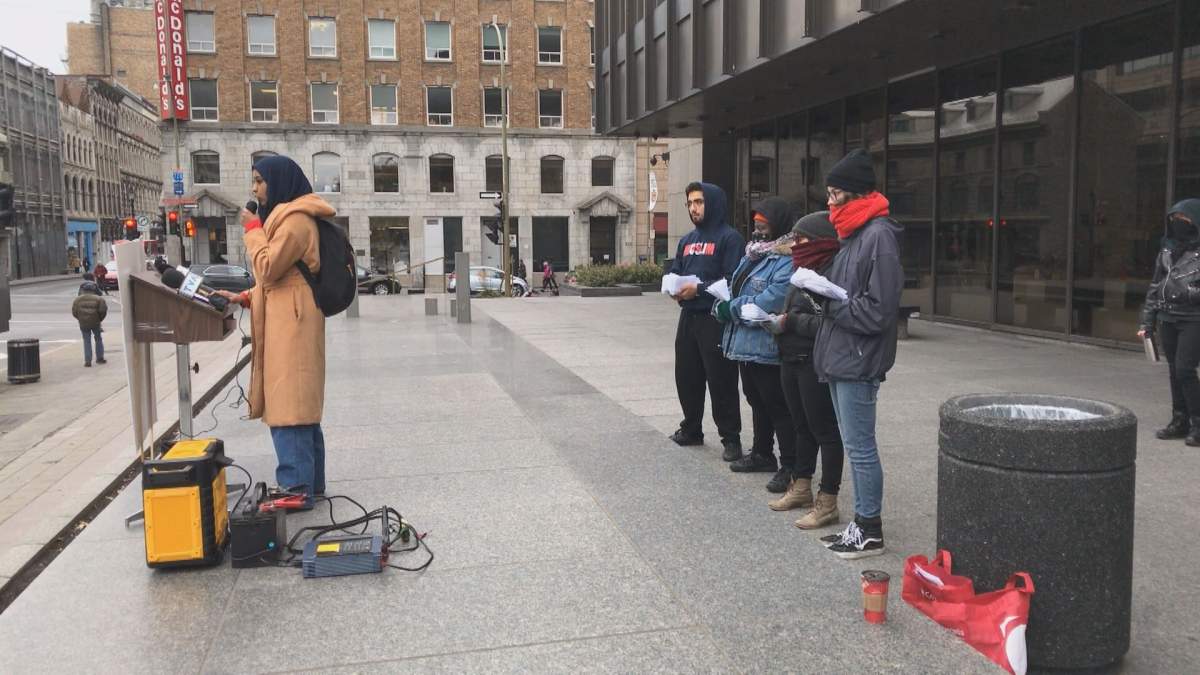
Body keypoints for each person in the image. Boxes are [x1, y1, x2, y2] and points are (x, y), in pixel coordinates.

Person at [215, 155, 334, 510]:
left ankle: (296, 488)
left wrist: (253, 230)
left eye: (259, 181)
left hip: (293, 322)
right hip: (289, 313)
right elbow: (281, 280)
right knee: (298, 405)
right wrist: (245, 297)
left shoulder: (296, 220)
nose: (255, 189)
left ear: (279, 181)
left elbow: (268, 268)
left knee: (290, 405)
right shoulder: (290, 218)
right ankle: (310, 484)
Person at [811, 149, 903, 560]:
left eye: (836, 195)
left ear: (857, 194)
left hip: (858, 359)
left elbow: (879, 311)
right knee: (854, 442)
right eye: (828, 194)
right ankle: (863, 524)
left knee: (861, 446)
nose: (829, 203)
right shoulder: (853, 235)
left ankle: (869, 528)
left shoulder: (878, 237)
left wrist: (830, 303)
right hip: (841, 356)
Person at [764, 211, 845, 529]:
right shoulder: (800, 268)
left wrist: (793, 321)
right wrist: (775, 321)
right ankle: (801, 486)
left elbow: (833, 322)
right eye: (794, 239)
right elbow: (792, 308)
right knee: (800, 426)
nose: (796, 245)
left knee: (824, 430)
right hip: (789, 356)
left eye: (802, 239)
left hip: (814, 360)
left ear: (821, 240)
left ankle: (828, 501)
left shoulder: (833, 270)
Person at [712, 197, 797, 489]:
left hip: (767, 346)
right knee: (756, 401)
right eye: (756, 225)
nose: (758, 231)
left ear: (779, 226)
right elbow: (735, 288)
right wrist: (721, 305)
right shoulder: (753, 254)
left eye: (764, 226)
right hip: (745, 344)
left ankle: (791, 466)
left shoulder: (786, 259)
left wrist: (731, 309)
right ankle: (762, 452)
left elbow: (771, 299)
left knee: (777, 405)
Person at [668, 182, 746, 460]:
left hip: (715, 318)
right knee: (686, 375)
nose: (693, 208)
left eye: (698, 202)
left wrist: (698, 290)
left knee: (721, 378)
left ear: (712, 202)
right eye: (689, 203)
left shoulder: (730, 238)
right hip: (688, 316)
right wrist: (674, 288)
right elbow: (676, 269)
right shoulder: (687, 240)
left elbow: (733, 280)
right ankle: (691, 428)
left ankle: (731, 438)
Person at [1139, 199, 1200, 445]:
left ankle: (1198, 422)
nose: (1178, 224)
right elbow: (1155, 286)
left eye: (1184, 220)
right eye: (1174, 219)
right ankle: (1180, 419)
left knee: (1185, 369)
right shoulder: (1166, 249)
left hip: (1193, 318)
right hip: (1167, 316)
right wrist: (1147, 322)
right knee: (1174, 371)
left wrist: (1187, 293)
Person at [71, 273, 107, 367]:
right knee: (98, 338)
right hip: (96, 322)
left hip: (83, 323)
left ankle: (88, 360)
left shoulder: (77, 300)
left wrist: (81, 318)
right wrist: (99, 319)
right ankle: (100, 358)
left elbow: (74, 312)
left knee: (86, 340)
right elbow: (103, 311)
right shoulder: (99, 299)